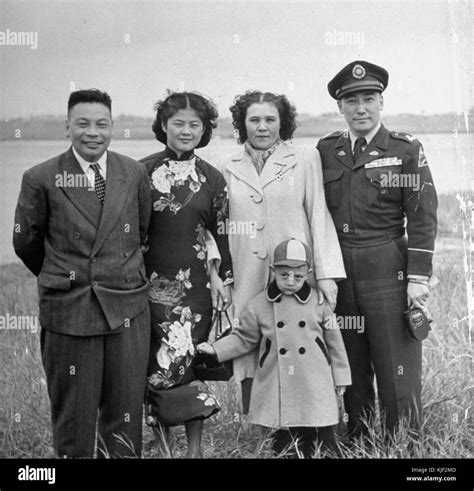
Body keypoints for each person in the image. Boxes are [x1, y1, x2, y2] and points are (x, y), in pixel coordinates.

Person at [13, 89, 152, 458]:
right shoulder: (41, 177)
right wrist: (66, 278)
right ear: (68, 126)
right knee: (74, 422)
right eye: (83, 124)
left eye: (102, 124)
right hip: (70, 313)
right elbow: (27, 243)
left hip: (127, 312)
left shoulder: (133, 172)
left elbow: (142, 231)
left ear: (112, 127)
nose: (93, 132)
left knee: (124, 420)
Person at [317, 60, 438, 439]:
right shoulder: (326, 151)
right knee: (351, 365)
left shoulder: (404, 149)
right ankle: (360, 438)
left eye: (369, 99)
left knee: (395, 365)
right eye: (351, 101)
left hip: (389, 266)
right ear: (340, 107)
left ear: (381, 102)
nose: (360, 108)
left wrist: (417, 279)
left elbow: (422, 215)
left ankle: (402, 442)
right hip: (341, 272)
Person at [217, 91, 345, 413]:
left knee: (300, 343)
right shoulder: (226, 165)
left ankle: (309, 421)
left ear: (282, 122)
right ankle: (259, 424)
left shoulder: (304, 159)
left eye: (270, 119)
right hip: (247, 271)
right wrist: (220, 277)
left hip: (294, 272)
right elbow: (218, 227)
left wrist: (326, 275)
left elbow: (318, 215)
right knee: (250, 342)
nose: (262, 127)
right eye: (254, 120)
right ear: (242, 124)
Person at [140, 91, 233, 458]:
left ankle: (194, 451)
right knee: (155, 368)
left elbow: (220, 234)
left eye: (195, 124)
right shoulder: (140, 172)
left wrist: (222, 281)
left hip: (194, 293)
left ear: (205, 130)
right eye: (178, 123)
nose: (186, 130)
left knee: (188, 366)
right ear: (164, 126)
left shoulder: (212, 178)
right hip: (148, 288)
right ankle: (163, 446)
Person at [197, 238, 351, 458]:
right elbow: (244, 338)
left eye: (297, 276)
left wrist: (341, 376)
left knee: (321, 437)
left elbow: (335, 342)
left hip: (315, 379)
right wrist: (216, 349)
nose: (290, 281)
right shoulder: (259, 304)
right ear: (272, 271)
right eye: (283, 275)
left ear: (308, 272)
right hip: (278, 379)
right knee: (285, 441)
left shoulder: (319, 302)